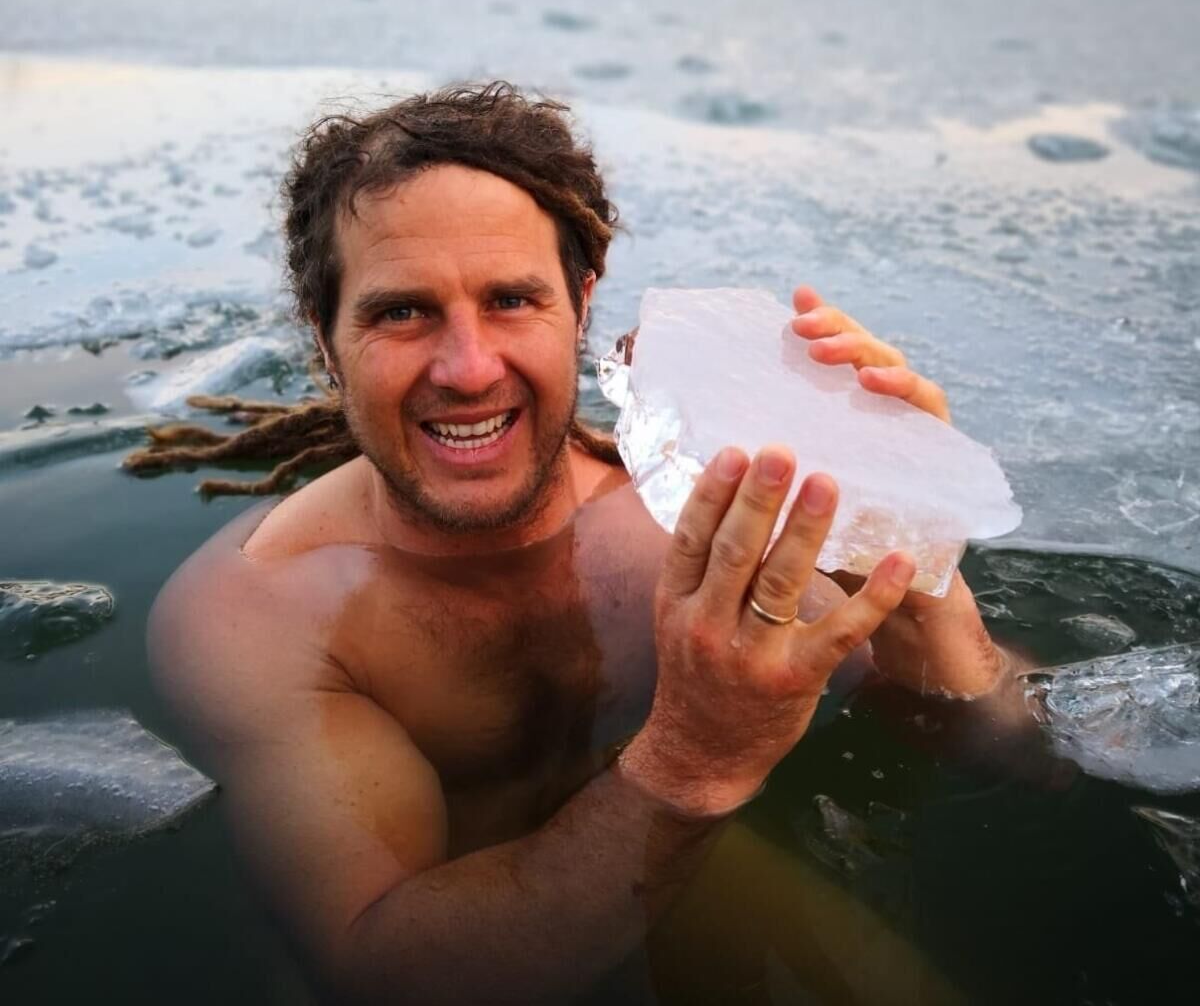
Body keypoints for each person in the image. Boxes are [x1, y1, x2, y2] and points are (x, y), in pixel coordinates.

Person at [147, 83, 1012, 1006]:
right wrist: (698, 758)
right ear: (325, 340)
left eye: (511, 299)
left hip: (676, 851)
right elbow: (382, 972)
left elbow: (1010, 757)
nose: (468, 368)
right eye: (402, 312)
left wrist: (917, 558)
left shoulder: (695, 511)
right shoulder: (262, 613)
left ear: (580, 303)